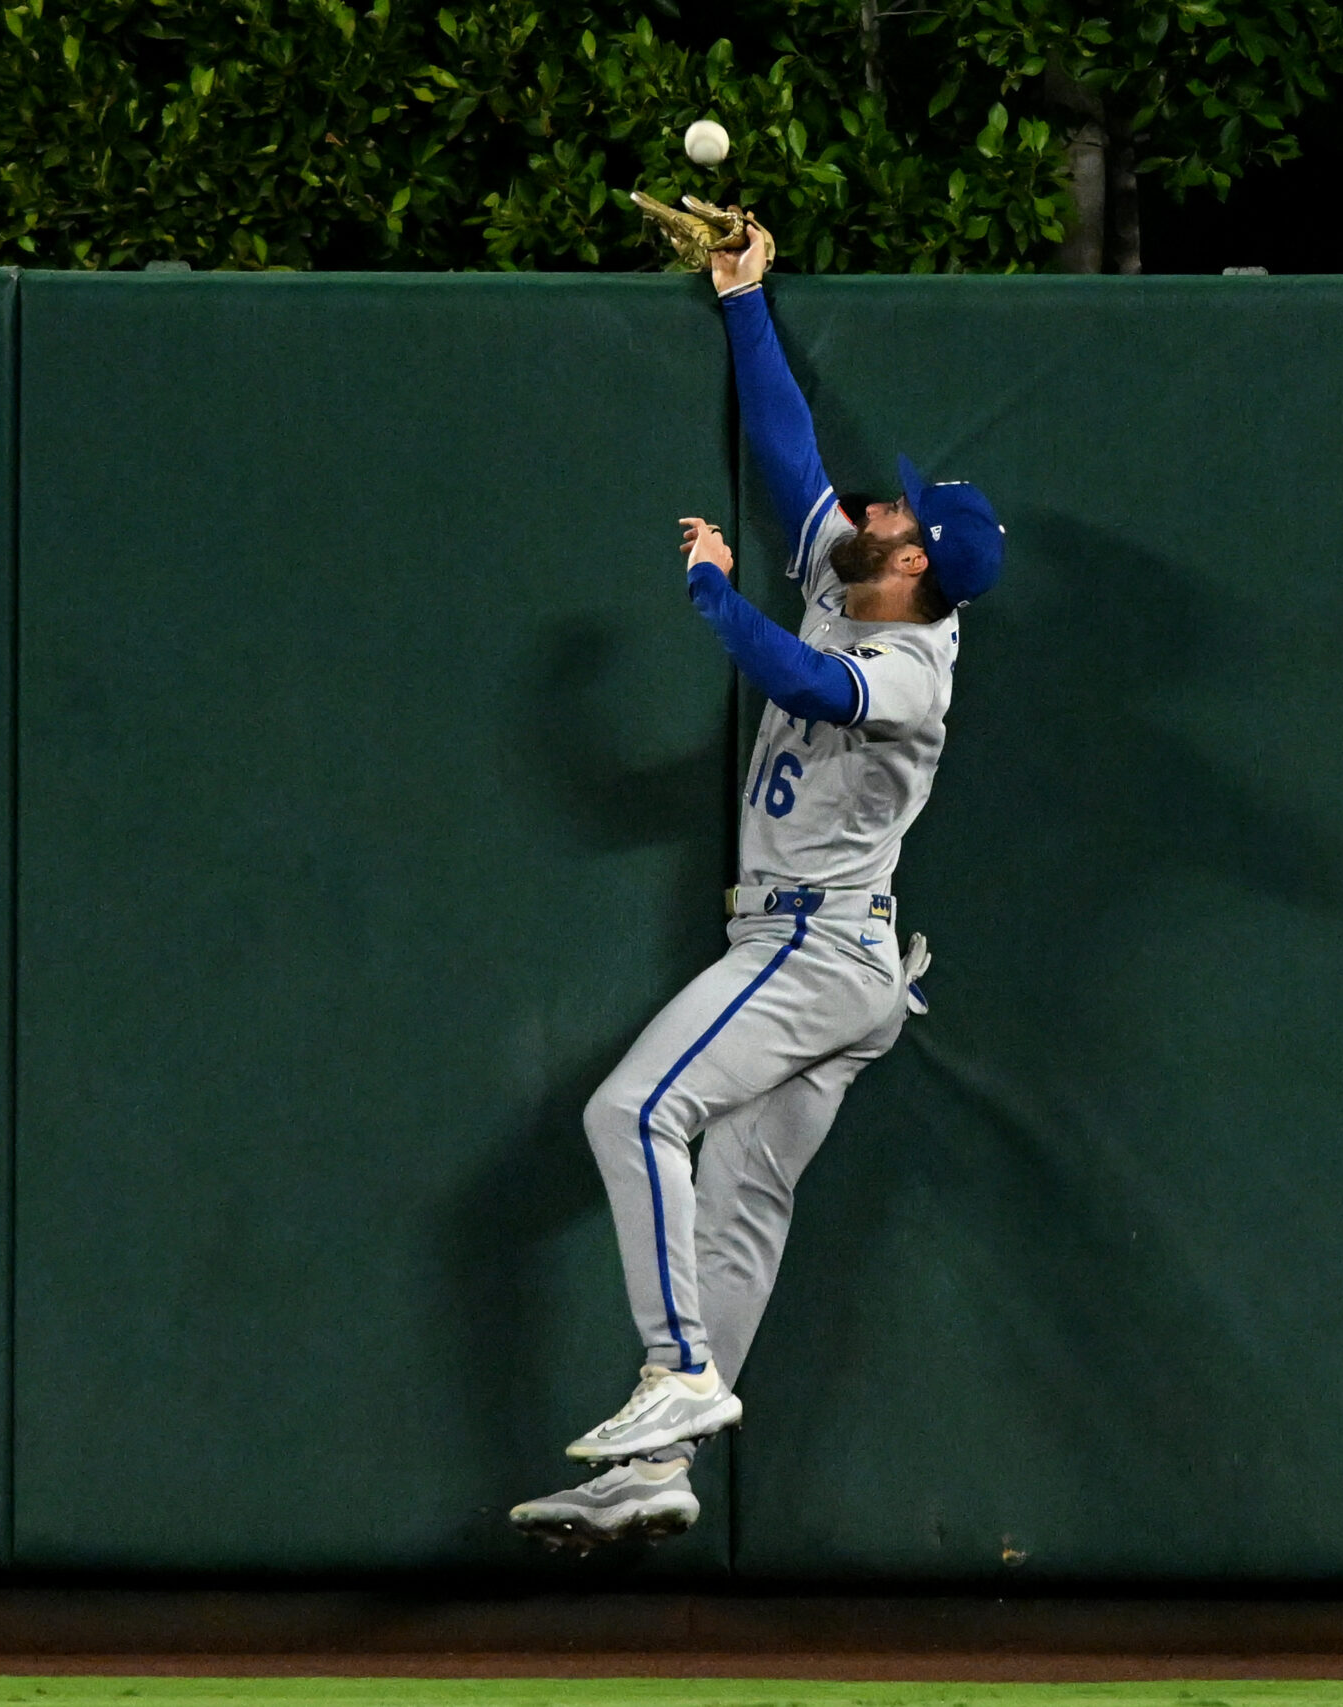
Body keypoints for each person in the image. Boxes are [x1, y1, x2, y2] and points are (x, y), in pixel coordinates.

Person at [509, 219, 1005, 1549]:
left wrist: (719, 596)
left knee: (633, 1116)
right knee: (736, 1208)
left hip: (813, 954)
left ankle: (675, 1373)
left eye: (898, 512)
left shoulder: (911, 670)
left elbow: (800, 679)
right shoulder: (862, 583)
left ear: (918, 569)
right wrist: (744, 301)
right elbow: (789, 459)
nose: (876, 503)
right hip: (838, 966)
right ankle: (660, 1469)